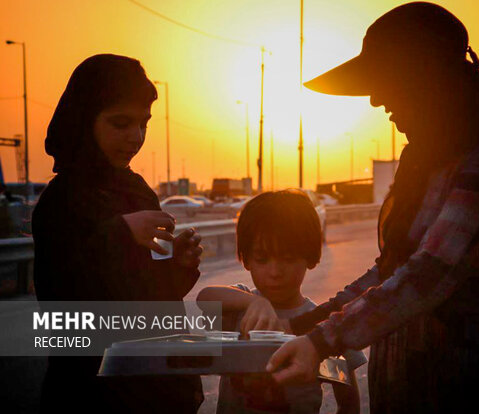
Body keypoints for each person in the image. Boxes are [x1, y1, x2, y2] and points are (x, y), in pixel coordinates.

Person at [263, 3, 479, 413]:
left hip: (477, 377)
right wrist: (303, 326)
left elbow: (430, 272)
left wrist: (321, 340)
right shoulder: (421, 165)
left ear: (428, 79)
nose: (377, 101)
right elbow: (393, 268)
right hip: (407, 376)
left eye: (387, 82)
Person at [33, 54, 204, 413]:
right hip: (92, 389)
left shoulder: (138, 191)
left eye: (143, 124)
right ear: (84, 121)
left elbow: (154, 299)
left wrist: (179, 266)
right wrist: (121, 233)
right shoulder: (62, 199)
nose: (135, 137)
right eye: (120, 123)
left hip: (156, 387)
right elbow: (62, 298)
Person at [197, 190, 366, 414]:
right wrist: (254, 303)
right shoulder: (239, 308)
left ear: (311, 257)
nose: (275, 272)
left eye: (288, 258)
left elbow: (348, 401)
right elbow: (205, 297)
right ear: (246, 259)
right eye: (262, 259)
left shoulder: (325, 326)